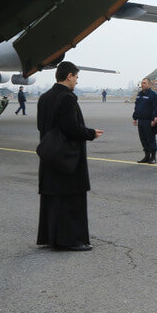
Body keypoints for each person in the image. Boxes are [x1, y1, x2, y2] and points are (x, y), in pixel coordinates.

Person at [36, 61, 103, 251]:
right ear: (69, 76)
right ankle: (71, 240)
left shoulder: (45, 97)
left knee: (53, 197)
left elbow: (41, 126)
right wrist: (91, 133)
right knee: (71, 197)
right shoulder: (67, 98)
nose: (76, 82)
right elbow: (71, 128)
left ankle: (50, 237)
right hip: (67, 156)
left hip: (49, 153)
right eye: (76, 77)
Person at [132, 77, 157, 163]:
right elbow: (137, 107)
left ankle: (153, 157)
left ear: (149, 84)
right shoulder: (140, 94)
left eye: (144, 83)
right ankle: (147, 156)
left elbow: (156, 107)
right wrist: (135, 117)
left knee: (150, 139)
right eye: (142, 83)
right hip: (141, 120)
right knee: (143, 139)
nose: (142, 84)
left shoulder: (153, 95)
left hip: (149, 121)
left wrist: (154, 119)